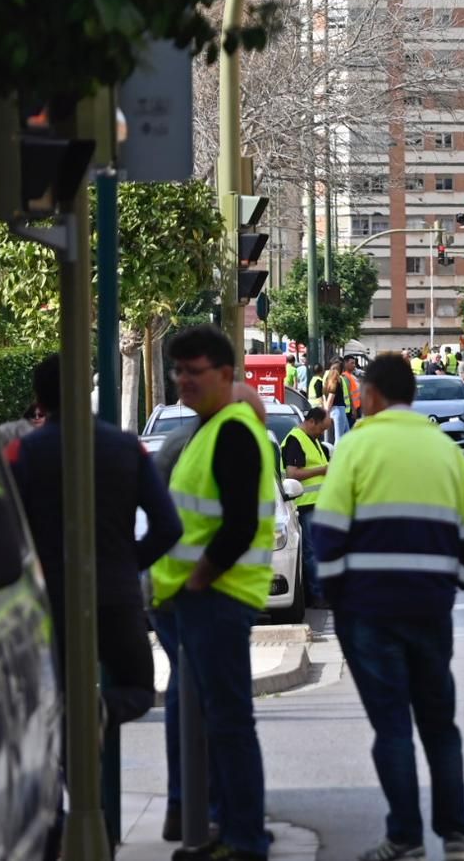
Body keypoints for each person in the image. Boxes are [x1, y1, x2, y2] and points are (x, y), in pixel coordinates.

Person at [5, 354, 181, 860]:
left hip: (48, 604)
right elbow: (168, 526)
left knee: (49, 711)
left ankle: (60, 818)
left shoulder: (22, 453)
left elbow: (5, 528)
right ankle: (100, 712)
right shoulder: (127, 448)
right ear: (86, 390)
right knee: (139, 691)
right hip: (116, 595)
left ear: (39, 401)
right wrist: (129, 563)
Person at [313, 355, 464, 861]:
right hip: (430, 608)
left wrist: (336, 594)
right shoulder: (444, 450)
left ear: (368, 396)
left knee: (391, 728)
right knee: (439, 726)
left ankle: (405, 839)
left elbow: (327, 533)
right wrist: (450, 582)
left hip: (368, 610)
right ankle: (457, 836)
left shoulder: (356, 446)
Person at [149, 325, 276, 861]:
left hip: (217, 599)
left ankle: (245, 838)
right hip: (202, 600)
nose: (183, 381)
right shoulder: (210, 429)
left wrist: (198, 580)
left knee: (227, 721)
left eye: (193, 372)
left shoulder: (231, 432)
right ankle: (228, 827)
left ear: (226, 375)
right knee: (217, 720)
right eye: (177, 371)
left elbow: (239, 524)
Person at [281, 407, 331, 607]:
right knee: (310, 552)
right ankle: (316, 595)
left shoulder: (312, 440)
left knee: (318, 550)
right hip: (304, 504)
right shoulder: (295, 440)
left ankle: (320, 592)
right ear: (312, 422)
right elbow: (292, 473)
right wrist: (323, 469)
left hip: (317, 503)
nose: (322, 433)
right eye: (321, 429)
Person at [324, 360, 348, 442]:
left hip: (332, 411)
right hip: (339, 410)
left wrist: (327, 411)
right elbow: (331, 398)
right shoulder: (336, 382)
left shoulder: (328, 381)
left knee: (337, 437)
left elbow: (326, 398)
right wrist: (326, 412)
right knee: (340, 438)